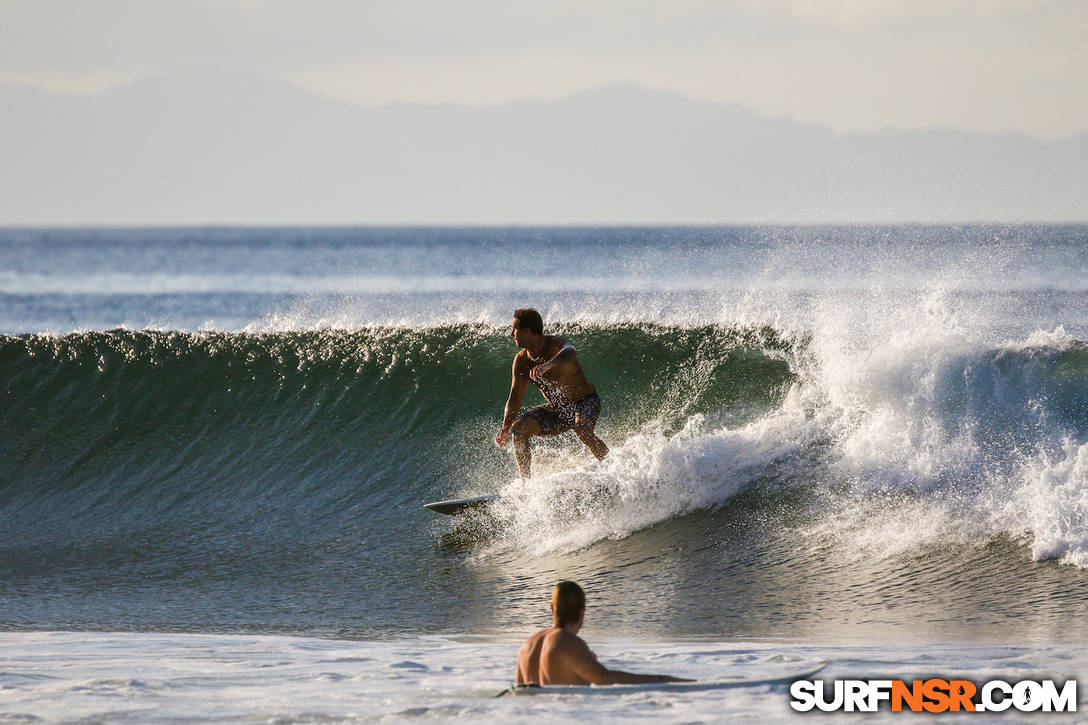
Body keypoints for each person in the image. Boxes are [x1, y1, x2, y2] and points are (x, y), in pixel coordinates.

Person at [494, 308, 608, 477]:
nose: (512, 334)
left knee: (582, 429)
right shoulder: (521, 361)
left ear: (527, 331)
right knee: (518, 429)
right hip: (558, 410)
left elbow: (570, 350)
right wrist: (505, 425)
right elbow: (515, 396)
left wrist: (550, 364)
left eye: (515, 330)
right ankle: (526, 485)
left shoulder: (555, 344)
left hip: (585, 401)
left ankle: (610, 466)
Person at [515, 581, 692, 686]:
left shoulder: (527, 645)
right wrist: (662, 679)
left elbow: (520, 692)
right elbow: (603, 678)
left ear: (552, 609)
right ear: (582, 611)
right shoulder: (567, 642)